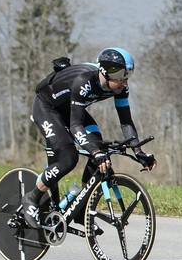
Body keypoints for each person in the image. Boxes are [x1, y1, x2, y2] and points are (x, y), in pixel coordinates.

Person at [23, 48, 157, 227]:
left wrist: (139, 151)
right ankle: (32, 198)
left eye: (127, 75)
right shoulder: (84, 82)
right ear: (105, 72)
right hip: (47, 107)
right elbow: (75, 125)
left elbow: (126, 122)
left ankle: (81, 208)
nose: (124, 82)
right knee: (69, 158)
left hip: (70, 109)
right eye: (120, 76)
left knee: (101, 151)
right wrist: (94, 151)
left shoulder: (120, 86)